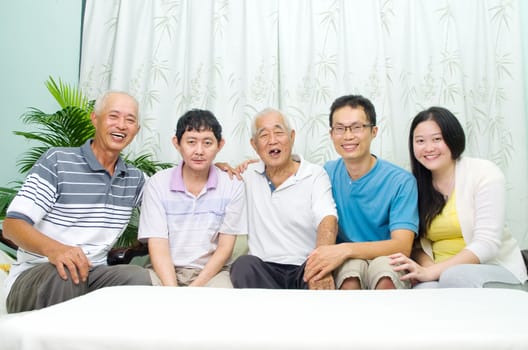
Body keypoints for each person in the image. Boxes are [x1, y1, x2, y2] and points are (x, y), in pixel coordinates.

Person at [3, 91, 152, 313]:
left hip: (92, 273)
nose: (121, 125)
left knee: (138, 277)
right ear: (95, 119)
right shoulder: (57, 161)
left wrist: (214, 173)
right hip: (38, 274)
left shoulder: (135, 179)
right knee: (68, 272)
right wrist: (56, 250)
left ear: (136, 130)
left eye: (130, 120)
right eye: (113, 116)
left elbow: (172, 198)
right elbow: (12, 226)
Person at [389, 106, 528, 288]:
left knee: (455, 276)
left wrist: (434, 272)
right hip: (441, 273)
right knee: (423, 291)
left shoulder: (484, 173)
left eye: (437, 139)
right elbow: (415, 246)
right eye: (420, 141)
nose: (429, 148)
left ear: (453, 138)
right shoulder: (414, 184)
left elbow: (487, 244)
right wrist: (429, 268)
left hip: (494, 268)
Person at [303, 94, 419, 290]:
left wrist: (344, 250)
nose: (348, 136)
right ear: (331, 134)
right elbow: (292, 172)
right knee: (349, 279)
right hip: (347, 260)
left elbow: (402, 244)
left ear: (373, 131)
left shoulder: (401, 181)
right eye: (340, 129)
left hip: (385, 256)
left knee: (386, 278)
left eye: (357, 127)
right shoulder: (325, 174)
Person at [229, 108, 338, 290]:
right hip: (264, 268)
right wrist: (220, 166)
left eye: (279, 132)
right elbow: (212, 177)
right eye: (263, 135)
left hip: (304, 267)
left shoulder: (314, 174)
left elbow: (328, 219)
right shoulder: (246, 176)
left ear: (292, 136)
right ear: (254, 145)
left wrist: (320, 265)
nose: (272, 140)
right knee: (242, 265)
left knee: (317, 276)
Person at [138, 109, 246, 287]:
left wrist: (193, 290)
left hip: (212, 274)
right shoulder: (157, 184)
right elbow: (158, 245)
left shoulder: (232, 184)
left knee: (224, 299)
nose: (199, 151)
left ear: (220, 145)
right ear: (177, 143)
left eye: (208, 143)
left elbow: (225, 248)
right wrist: (173, 290)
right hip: (164, 271)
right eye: (191, 142)